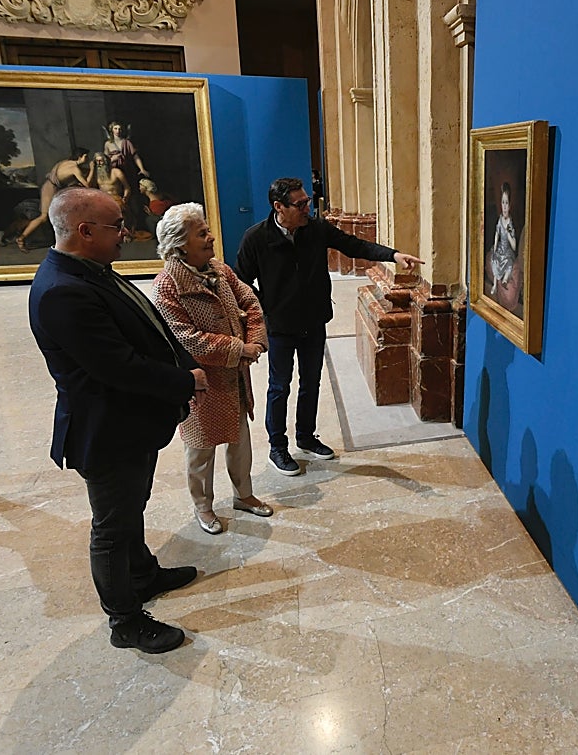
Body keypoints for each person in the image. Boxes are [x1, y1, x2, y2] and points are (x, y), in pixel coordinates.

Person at [28, 188, 207, 654]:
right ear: (84, 231)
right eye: (116, 225)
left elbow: (149, 327)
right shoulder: (62, 290)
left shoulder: (91, 271)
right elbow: (117, 366)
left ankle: (143, 575)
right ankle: (124, 621)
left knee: (131, 508)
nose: (125, 232)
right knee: (111, 526)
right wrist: (185, 380)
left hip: (130, 422)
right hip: (106, 428)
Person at [236, 176, 424, 475]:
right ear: (278, 207)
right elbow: (240, 285)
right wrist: (264, 309)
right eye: (300, 204)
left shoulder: (316, 229)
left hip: (313, 321)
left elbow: (353, 245)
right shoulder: (256, 238)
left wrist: (393, 255)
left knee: (311, 383)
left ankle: (306, 437)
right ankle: (278, 447)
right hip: (280, 327)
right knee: (279, 386)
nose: (307, 208)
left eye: (307, 201)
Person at [150, 203, 273, 535]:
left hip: (234, 376)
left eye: (208, 230)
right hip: (201, 384)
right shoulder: (167, 287)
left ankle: (243, 495)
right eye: (201, 233)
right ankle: (203, 507)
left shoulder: (219, 269)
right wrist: (239, 349)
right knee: (200, 450)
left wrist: (256, 342)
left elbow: (250, 301)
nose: (211, 237)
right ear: (180, 245)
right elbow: (189, 339)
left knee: (240, 441)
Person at [17, 148, 93, 252]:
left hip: (52, 188)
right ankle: (21, 238)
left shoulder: (64, 162)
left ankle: (67, 241)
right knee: (43, 217)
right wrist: (92, 169)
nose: (88, 158)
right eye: (86, 156)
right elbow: (87, 185)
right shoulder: (74, 168)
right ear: (80, 156)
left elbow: (63, 178)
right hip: (51, 189)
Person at [489, 182, 518, 296]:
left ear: (510, 205)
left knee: (509, 263)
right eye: (503, 203)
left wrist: (508, 232)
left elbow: (514, 246)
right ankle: (495, 285)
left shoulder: (510, 224)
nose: (504, 206)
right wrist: (495, 246)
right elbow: (497, 233)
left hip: (507, 251)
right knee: (494, 259)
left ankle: (505, 281)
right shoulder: (500, 219)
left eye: (506, 203)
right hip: (500, 248)